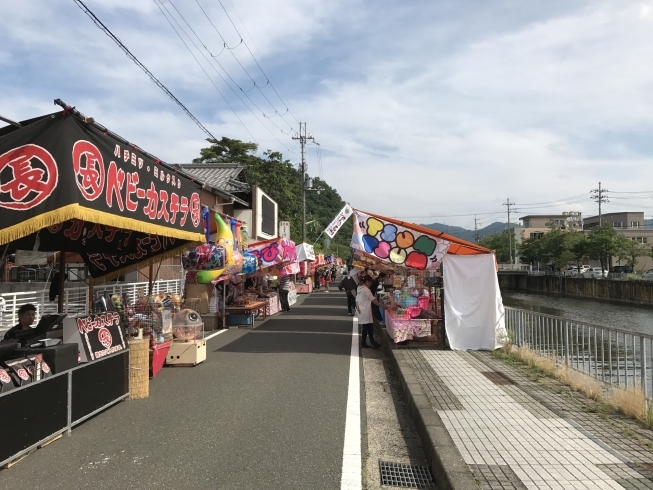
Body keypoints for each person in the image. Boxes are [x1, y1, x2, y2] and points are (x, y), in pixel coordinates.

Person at [356, 275, 388, 348]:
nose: (370, 284)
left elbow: (357, 299)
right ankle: (370, 343)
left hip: (361, 310)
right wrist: (382, 306)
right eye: (370, 282)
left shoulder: (359, 288)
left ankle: (366, 342)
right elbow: (373, 300)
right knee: (369, 327)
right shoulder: (366, 290)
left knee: (366, 327)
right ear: (367, 282)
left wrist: (357, 306)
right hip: (366, 310)